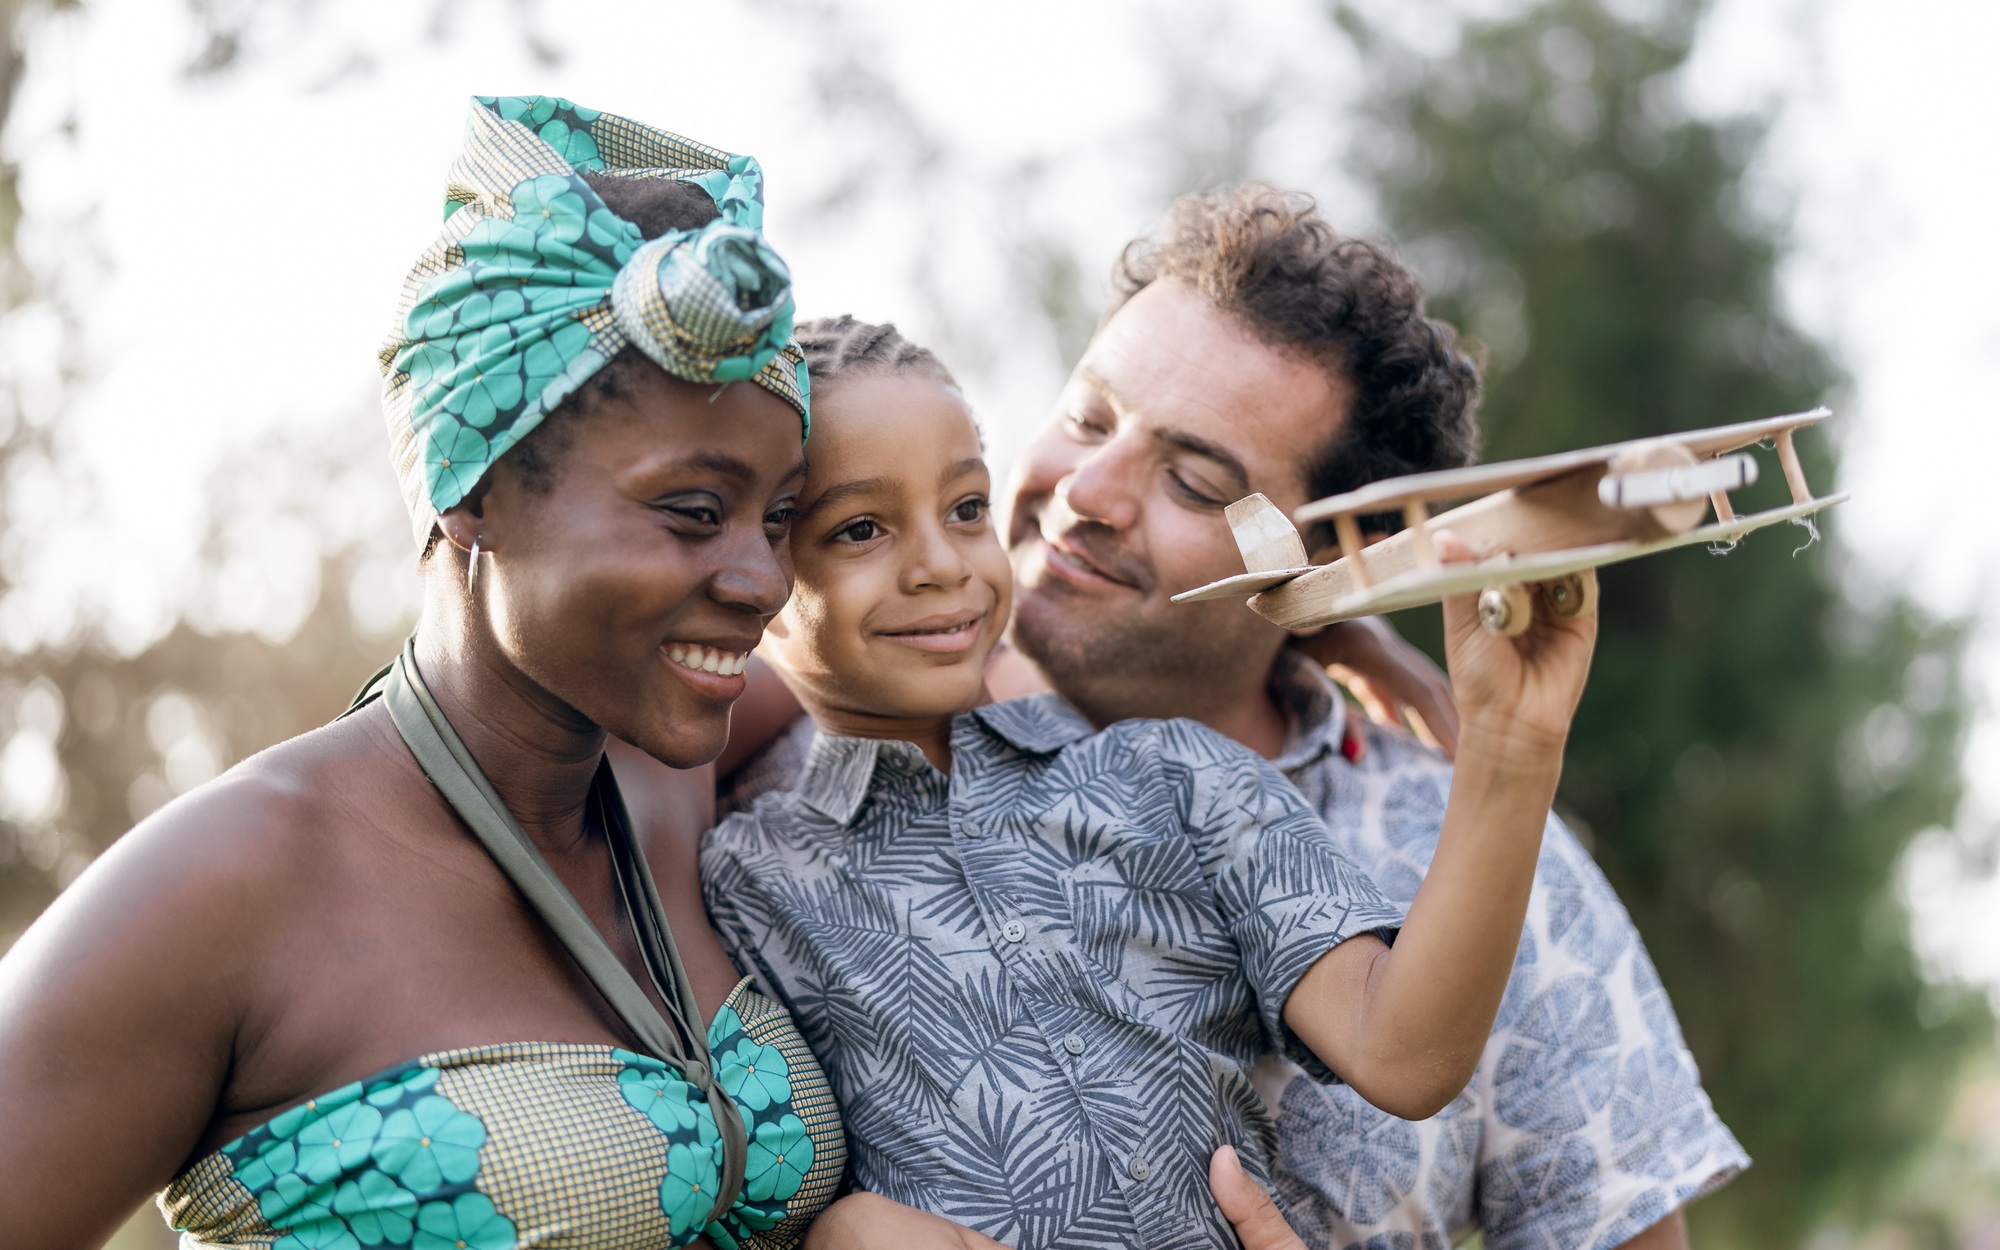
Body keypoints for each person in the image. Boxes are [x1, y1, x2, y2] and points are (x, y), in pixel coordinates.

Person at [0, 95, 930, 1250]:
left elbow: (981, 652)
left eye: (778, 515)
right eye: (693, 512)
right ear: (474, 489)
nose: (760, 579)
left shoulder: (677, 789)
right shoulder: (219, 891)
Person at [698, 314, 1599, 1250]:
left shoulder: (1177, 777)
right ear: (755, 568)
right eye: (859, 529)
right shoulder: (742, 875)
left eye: (968, 508)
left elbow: (1405, 1055)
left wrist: (1511, 748)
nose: (943, 564)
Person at [992, 184, 1750, 1249]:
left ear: (1331, 563)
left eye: (1196, 482)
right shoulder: (805, 718)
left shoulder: (1485, 870)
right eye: (1086, 419)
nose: (1088, 492)